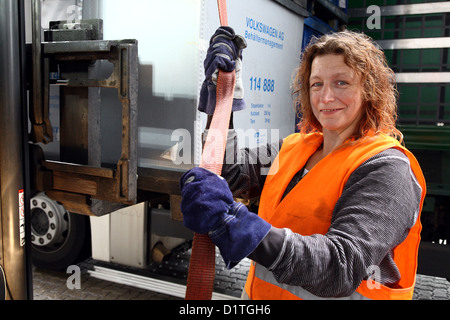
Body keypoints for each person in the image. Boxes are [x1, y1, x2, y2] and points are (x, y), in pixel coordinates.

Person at [180, 27, 426, 300]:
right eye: (316, 84)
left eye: (341, 82)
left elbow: (340, 268)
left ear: (369, 90)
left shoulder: (386, 168)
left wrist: (235, 225)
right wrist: (223, 97)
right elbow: (232, 174)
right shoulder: (294, 147)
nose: (326, 97)